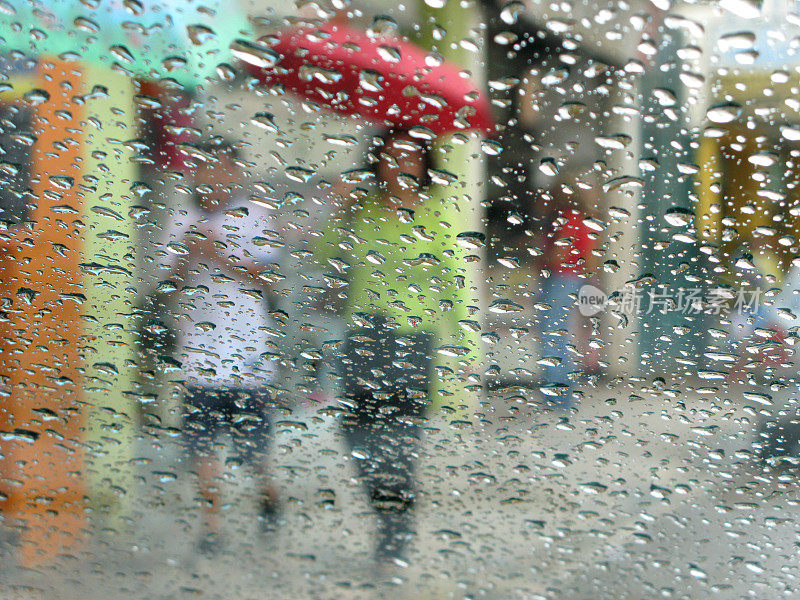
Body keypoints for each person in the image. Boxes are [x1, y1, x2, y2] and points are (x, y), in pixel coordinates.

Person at [315, 130, 480, 571]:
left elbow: (456, 285)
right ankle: (391, 509)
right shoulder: (362, 210)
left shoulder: (437, 214)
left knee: (399, 443)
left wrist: (466, 346)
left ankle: (394, 535)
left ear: (425, 166)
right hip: (364, 338)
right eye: (392, 156)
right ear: (378, 164)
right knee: (355, 434)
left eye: (411, 157)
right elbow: (322, 256)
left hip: (412, 343)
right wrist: (337, 207)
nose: (401, 165)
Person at [157, 140, 280, 553]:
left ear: (238, 175)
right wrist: (187, 256)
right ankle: (212, 526)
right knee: (202, 445)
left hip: (248, 354)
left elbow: (270, 280)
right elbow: (165, 286)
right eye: (207, 170)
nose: (215, 178)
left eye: (224, 170)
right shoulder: (182, 218)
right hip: (198, 352)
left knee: (253, 450)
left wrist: (222, 254)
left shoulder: (255, 216)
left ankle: (269, 496)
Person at [537, 181, 599, 408]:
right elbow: (591, 259)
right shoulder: (585, 220)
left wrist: (545, 258)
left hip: (559, 280)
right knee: (563, 336)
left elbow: (557, 255)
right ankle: (564, 395)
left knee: (553, 338)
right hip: (575, 280)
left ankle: (556, 395)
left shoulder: (565, 218)